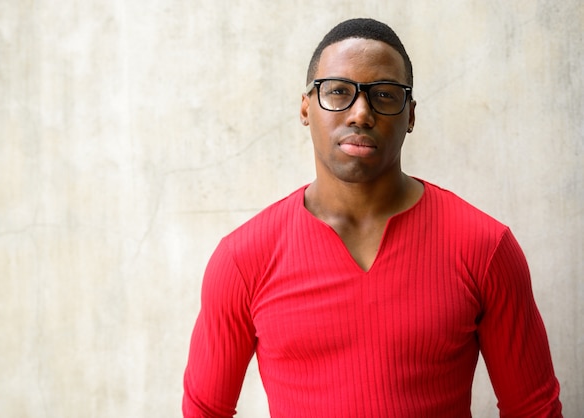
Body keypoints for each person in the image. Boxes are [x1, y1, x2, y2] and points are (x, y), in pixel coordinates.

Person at [182, 18, 562, 417]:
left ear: (410, 115)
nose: (360, 114)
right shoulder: (243, 259)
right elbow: (205, 410)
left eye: (383, 94)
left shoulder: (485, 247)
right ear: (305, 107)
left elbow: (533, 410)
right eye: (338, 91)